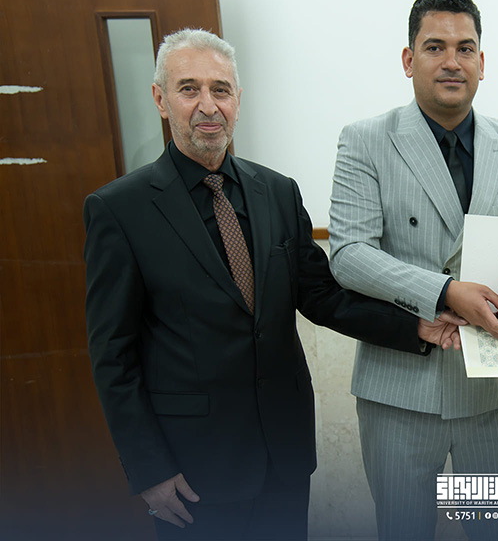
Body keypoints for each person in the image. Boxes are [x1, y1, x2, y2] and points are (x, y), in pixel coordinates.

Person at [84, 28, 464, 541]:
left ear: (238, 101)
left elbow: (322, 296)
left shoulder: (277, 192)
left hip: (282, 454)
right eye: (189, 89)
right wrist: (148, 467)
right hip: (193, 466)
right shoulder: (119, 209)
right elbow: (113, 354)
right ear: (160, 99)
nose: (208, 106)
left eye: (220, 90)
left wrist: (417, 326)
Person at [327, 0, 498, 540]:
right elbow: (349, 255)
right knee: (403, 530)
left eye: (465, 48)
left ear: (482, 62)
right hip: (399, 390)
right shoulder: (365, 141)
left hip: (492, 393)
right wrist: (446, 291)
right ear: (409, 60)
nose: (452, 61)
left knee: (492, 530)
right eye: (435, 47)